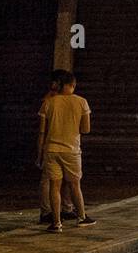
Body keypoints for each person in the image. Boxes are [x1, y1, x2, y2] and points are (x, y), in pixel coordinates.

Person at [37, 70, 96, 232]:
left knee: (54, 186)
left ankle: (56, 223)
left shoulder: (48, 103)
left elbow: (42, 131)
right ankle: (82, 217)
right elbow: (86, 129)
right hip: (71, 150)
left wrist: (39, 153)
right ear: (72, 85)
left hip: (52, 150)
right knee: (74, 184)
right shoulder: (82, 102)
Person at [38, 69, 77, 225]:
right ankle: (49, 211)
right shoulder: (50, 101)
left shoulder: (58, 100)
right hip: (60, 147)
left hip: (62, 146)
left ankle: (63, 209)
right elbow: (42, 130)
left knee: (63, 180)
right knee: (51, 180)